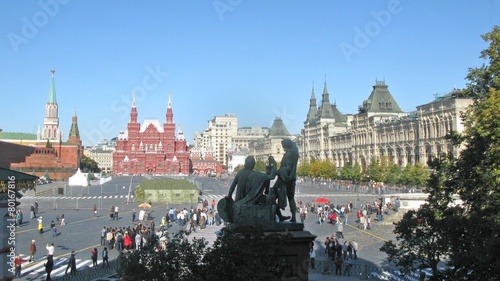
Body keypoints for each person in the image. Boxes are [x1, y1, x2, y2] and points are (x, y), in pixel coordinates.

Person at [273, 139, 299, 222]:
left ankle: (280, 216)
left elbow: (288, 168)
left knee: (272, 196)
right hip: (290, 179)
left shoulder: (288, 155)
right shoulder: (292, 153)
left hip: (284, 180)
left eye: (283, 145)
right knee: (291, 198)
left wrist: (277, 171)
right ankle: (293, 217)